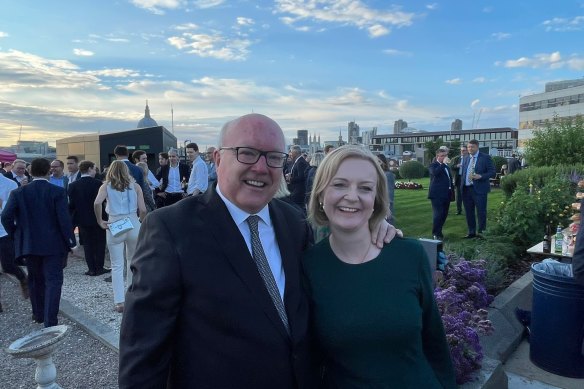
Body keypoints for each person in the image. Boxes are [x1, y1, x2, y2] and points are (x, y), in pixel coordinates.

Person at [118, 113, 398, 388]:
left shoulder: (294, 223)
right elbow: (144, 350)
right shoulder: (171, 228)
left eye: (273, 157)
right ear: (218, 158)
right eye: (247, 153)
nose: (261, 168)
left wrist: (371, 228)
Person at [303, 145, 456, 388]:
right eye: (340, 184)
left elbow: (435, 342)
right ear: (321, 194)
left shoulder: (410, 255)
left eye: (365, 188)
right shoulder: (309, 267)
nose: (352, 196)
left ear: (376, 199)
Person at [1, 158, 77, 326]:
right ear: (48, 171)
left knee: (35, 279)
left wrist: (16, 234)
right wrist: (71, 242)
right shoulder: (57, 192)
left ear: (31, 171)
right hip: (54, 244)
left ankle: (38, 314)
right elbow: (64, 220)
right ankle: (51, 320)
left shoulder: (19, 192)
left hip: (29, 244)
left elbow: (5, 217)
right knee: (53, 281)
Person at [94, 161, 146, 313]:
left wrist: (100, 221)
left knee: (117, 265)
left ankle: (119, 301)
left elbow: (97, 203)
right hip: (132, 223)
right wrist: (140, 221)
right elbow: (142, 209)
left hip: (114, 223)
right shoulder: (135, 187)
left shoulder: (106, 186)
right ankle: (132, 294)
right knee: (133, 261)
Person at [68, 160, 109, 276]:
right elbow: (103, 201)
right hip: (98, 217)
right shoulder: (98, 184)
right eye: (94, 168)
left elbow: (72, 205)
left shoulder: (73, 185)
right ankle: (99, 267)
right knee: (100, 243)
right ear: (90, 168)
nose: (95, 171)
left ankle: (91, 268)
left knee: (87, 244)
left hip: (82, 219)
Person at [0, 173, 29, 302]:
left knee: (7, 265)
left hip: (4, 232)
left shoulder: (9, 184)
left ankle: (22, 277)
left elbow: (12, 209)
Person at [461, 139, 495, 238]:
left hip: (480, 190)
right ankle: (471, 232)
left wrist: (481, 176)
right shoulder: (466, 158)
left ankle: (481, 233)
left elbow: (492, 172)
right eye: (468, 147)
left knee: (481, 212)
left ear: (477, 147)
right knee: (469, 212)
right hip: (467, 189)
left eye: (472, 147)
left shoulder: (485, 157)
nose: (470, 149)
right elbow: (464, 172)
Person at [428, 148, 453, 240]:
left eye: (445, 156)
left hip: (447, 194)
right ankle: (436, 234)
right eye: (442, 156)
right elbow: (435, 173)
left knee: (444, 214)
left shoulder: (446, 166)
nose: (444, 157)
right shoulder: (433, 165)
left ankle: (439, 232)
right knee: (438, 214)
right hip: (437, 194)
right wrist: (443, 164)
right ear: (437, 156)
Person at [376, 154, 396, 225]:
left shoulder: (388, 175)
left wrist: (387, 208)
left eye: (378, 161)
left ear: (382, 162)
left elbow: (389, 193)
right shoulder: (377, 174)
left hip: (385, 205)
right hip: (377, 204)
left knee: (388, 227)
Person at [451, 146, 468, 215]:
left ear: (467, 151)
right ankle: (459, 210)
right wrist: (456, 166)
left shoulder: (470, 158)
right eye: (461, 150)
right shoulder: (456, 158)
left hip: (467, 179)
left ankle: (468, 210)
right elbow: (451, 167)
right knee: (458, 196)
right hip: (459, 178)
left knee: (467, 195)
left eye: (464, 150)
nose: (462, 152)